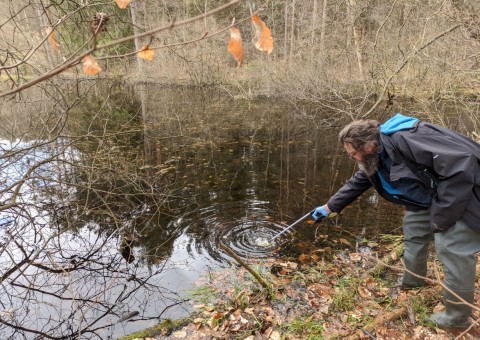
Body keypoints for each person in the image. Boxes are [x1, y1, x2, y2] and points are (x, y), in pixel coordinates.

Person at [311, 113, 480, 330]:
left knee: (451, 249)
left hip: (464, 195)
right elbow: (362, 179)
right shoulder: (378, 155)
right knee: (413, 233)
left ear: (369, 146)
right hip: (428, 198)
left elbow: (461, 165)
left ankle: (456, 318)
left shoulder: (407, 140)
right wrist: (329, 207)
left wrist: (442, 217)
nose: (352, 158)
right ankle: (413, 283)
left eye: (353, 154)